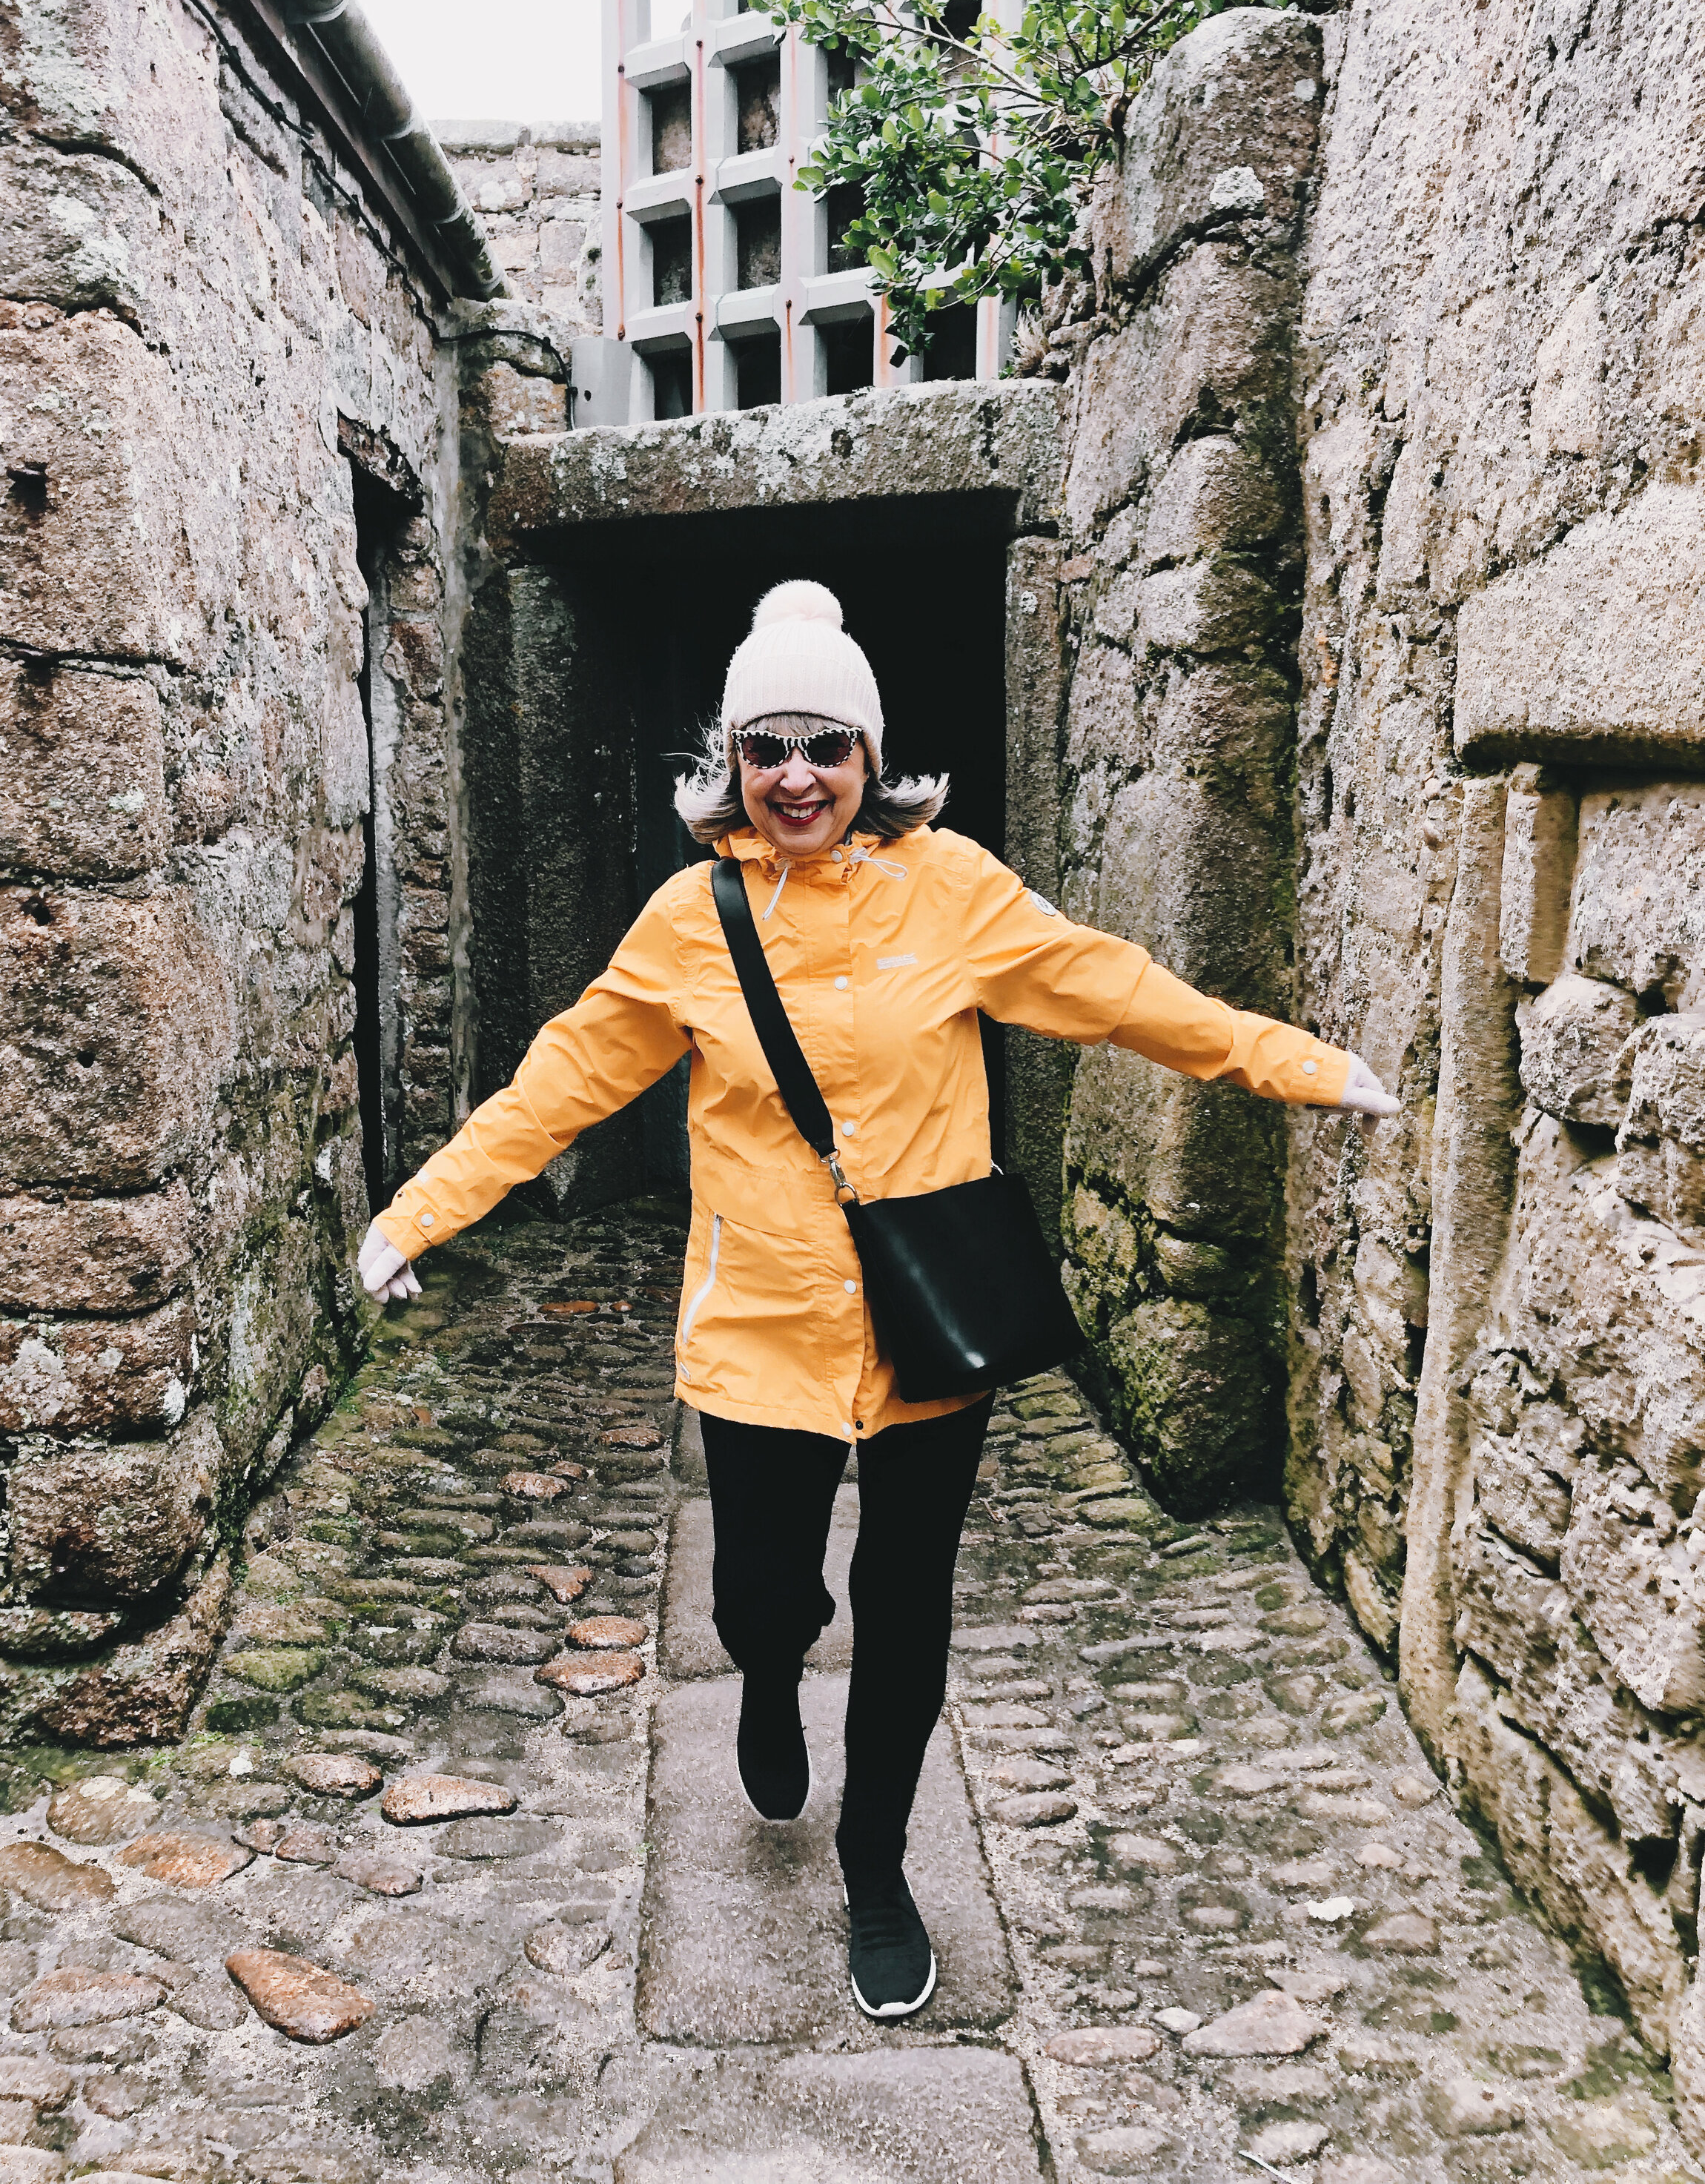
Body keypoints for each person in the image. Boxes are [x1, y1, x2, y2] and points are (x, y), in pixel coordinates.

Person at [358, 580, 1397, 2023]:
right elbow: (559, 1085)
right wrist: (415, 1216)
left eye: (825, 745)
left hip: (929, 1328)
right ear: (732, 761)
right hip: (757, 1337)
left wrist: (1292, 1063)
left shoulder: (951, 888)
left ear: (869, 757)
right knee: (758, 1596)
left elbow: (1116, 989)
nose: (797, 774)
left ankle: (877, 1866)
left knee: (903, 1609)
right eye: (768, 744)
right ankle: (772, 1673)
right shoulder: (687, 921)